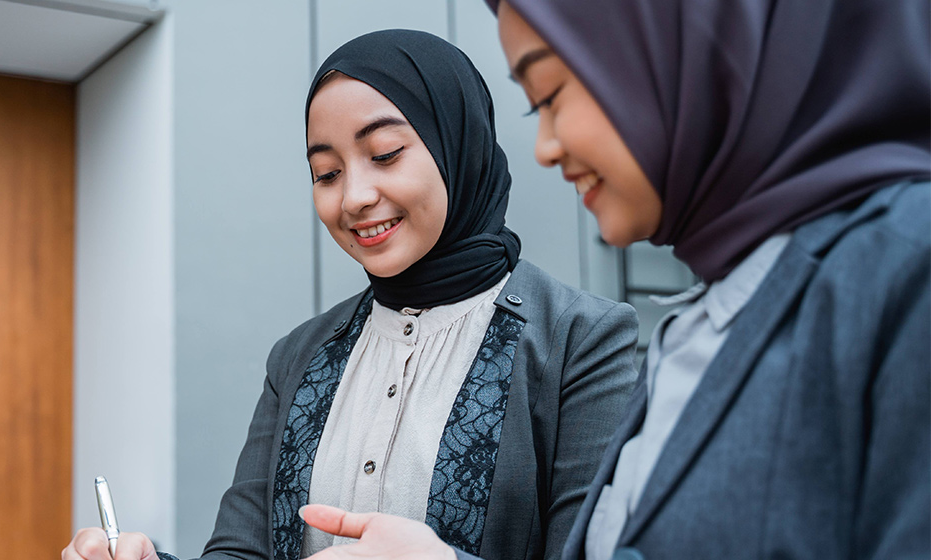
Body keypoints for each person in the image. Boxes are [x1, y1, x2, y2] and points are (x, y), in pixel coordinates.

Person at [298, 1, 931, 558]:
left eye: (553, 95)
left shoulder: (902, 270)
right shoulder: (704, 319)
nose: (543, 145)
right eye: (324, 173)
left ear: (690, 59)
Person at [61, 30, 640, 560]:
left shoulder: (580, 340)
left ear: (458, 143)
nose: (354, 197)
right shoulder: (300, 356)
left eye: (385, 154)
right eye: (326, 173)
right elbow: (240, 553)